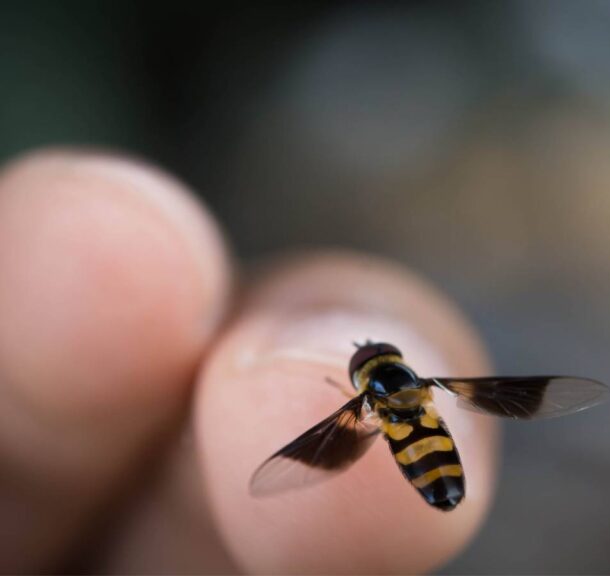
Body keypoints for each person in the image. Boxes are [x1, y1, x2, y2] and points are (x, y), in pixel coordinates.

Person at [0, 150, 498, 574]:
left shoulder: (360, 404)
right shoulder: (427, 385)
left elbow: (326, 447)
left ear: (362, 378)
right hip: (432, 466)